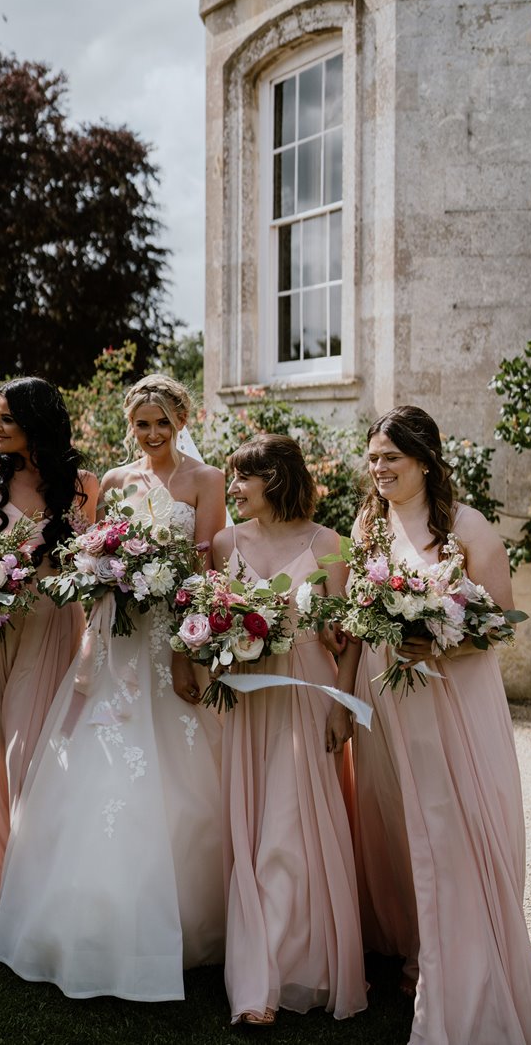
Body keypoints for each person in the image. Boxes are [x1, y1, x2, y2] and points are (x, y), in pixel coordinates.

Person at [0, 373, 226, 1000]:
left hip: (169, 634)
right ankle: (87, 919)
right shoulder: (115, 482)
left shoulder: (206, 482)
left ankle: (188, 921)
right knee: (92, 766)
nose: (151, 435)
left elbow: (203, 571)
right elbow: (91, 559)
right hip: (116, 636)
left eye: (162, 423)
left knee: (186, 782)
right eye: (141, 424)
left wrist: (183, 654)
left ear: (181, 420)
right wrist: (98, 591)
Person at [350, 405, 531, 1045]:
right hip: (389, 695)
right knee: (399, 821)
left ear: (426, 461)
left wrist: (436, 638)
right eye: (373, 458)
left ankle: (462, 967)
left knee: (455, 826)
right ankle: (416, 950)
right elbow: (359, 606)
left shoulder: (468, 527)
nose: (378, 469)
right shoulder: (368, 525)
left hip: (453, 700)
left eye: (391, 459)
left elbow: (500, 623)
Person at [209, 434, 367, 1027]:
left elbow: (346, 637)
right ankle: (256, 970)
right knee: (252, 822)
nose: (234, 490)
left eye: (242, 480)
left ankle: (288, 968)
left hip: (305, 691)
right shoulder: (225, 542)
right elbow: (211, 616)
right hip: (248, 698)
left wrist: (341, 706)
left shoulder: (329, 544)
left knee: (290, 824)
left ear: (272, 479)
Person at [0, 377, 98, 925]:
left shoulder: (82, 484)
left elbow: (89, 562)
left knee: (28, 753)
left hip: (49, 626)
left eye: (7, 417)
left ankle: (38, 883)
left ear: (37, 422)